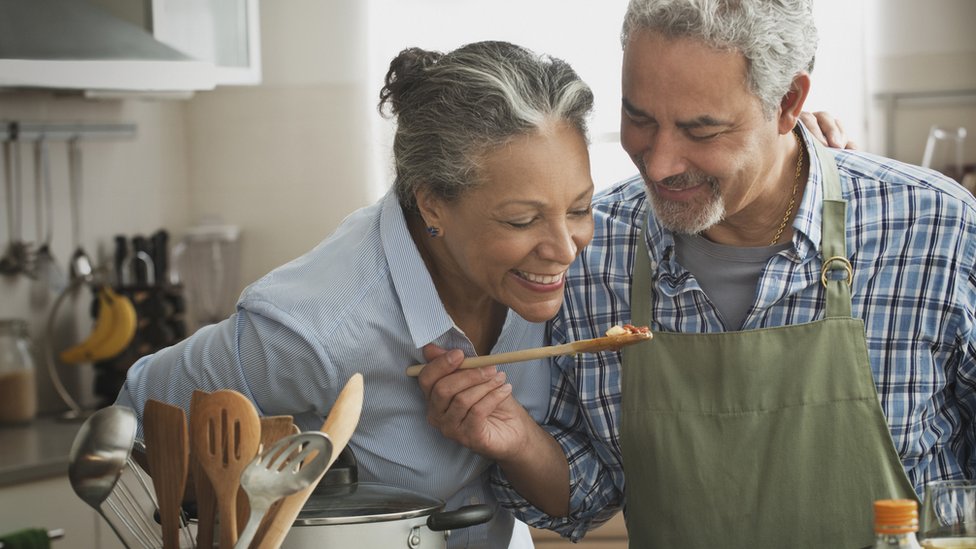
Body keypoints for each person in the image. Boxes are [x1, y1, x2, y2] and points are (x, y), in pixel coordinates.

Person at [417, 1, 976, 548]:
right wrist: (516, 440)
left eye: (701, 131)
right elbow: (590, 493)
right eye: (639, 118)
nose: (658, 164)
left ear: (788, 102)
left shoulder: (934, 228)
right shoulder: (591, 250)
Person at [116, 40, 597, 549]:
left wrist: (520, 440)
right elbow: (135, 421)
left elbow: (575, 503)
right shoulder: (312, 326)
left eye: (580, 208)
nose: (565, 248)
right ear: (432, 203)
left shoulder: (559, 277)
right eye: (522, 220)